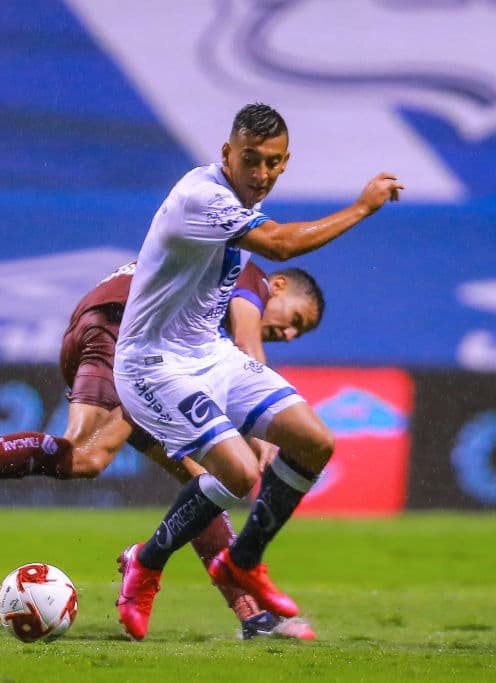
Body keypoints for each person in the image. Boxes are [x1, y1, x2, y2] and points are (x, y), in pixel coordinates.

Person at [0, 258, 325, 640]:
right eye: (296, 320)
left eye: (298, 334)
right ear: (280, 287)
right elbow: (248, 341)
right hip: (122, 330)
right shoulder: (250, 275)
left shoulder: (204, 293)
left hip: (132, 344)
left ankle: (253, 616)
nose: (288, 332)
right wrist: (263, 431)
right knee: (83, 449)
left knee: (202, 482)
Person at [113, 102, 403, 640]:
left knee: (315, 441)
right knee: (240, 473)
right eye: (250, 160)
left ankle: (243, 559)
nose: (261, 174)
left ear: (284, 162)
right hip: (153, 364)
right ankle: (146, 563)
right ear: (227, 154)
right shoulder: (202, 197)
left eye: (272, 162)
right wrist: (363, 207)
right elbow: (281, 243)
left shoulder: (241, 204)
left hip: (209, 354)